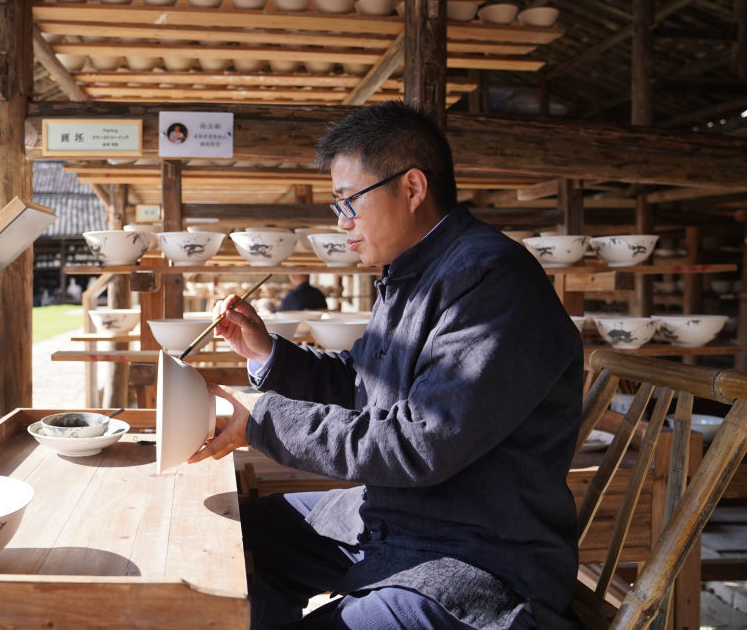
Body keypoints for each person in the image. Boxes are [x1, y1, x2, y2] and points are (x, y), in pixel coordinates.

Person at [188, 101, 583, 629]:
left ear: (413, 188)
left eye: (348, 200)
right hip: (396, 519)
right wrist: (267, 353)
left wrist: (261, 419)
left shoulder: (493, 280)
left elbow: (420, 441)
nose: (341, 222)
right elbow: (365, 383)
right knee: (229, 538)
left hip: (475, 555)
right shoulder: (415, 272)